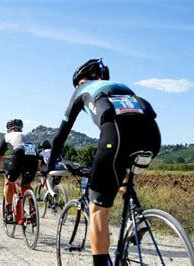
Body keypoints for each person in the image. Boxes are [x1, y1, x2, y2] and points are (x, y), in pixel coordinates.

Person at [47, 58, 161, 265]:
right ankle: (137, 214)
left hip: (116, 136)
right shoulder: (122, 87)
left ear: (80, 81)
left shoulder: (82, 89)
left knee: (97, 208)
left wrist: (50, 166)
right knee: (121, 171)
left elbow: (60, 136)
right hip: (152, 136)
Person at [0, 119, 38, 222]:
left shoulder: (7, 136)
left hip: (18, 154)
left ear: (9, 129)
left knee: (9, 182)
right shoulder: (28, 136)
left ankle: (9, 213)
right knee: (27, 184)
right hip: (33, 157)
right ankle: (33, 209)